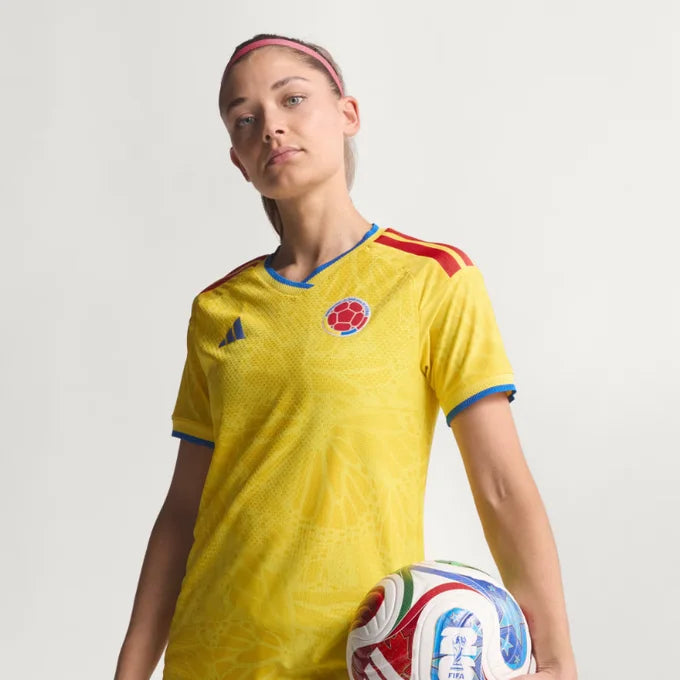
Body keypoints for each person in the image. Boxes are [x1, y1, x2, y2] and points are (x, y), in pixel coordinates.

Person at [114, 33, 578, 680]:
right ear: (238, 161)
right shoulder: (217, 310)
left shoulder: (431, 280)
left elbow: (500, 485)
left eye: (292, 99)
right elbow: (182, 514)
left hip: (356, 661)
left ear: (347, 114)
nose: (270, 125)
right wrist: (130, 671)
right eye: (244, 119)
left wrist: (556, 658)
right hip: (207, 659)